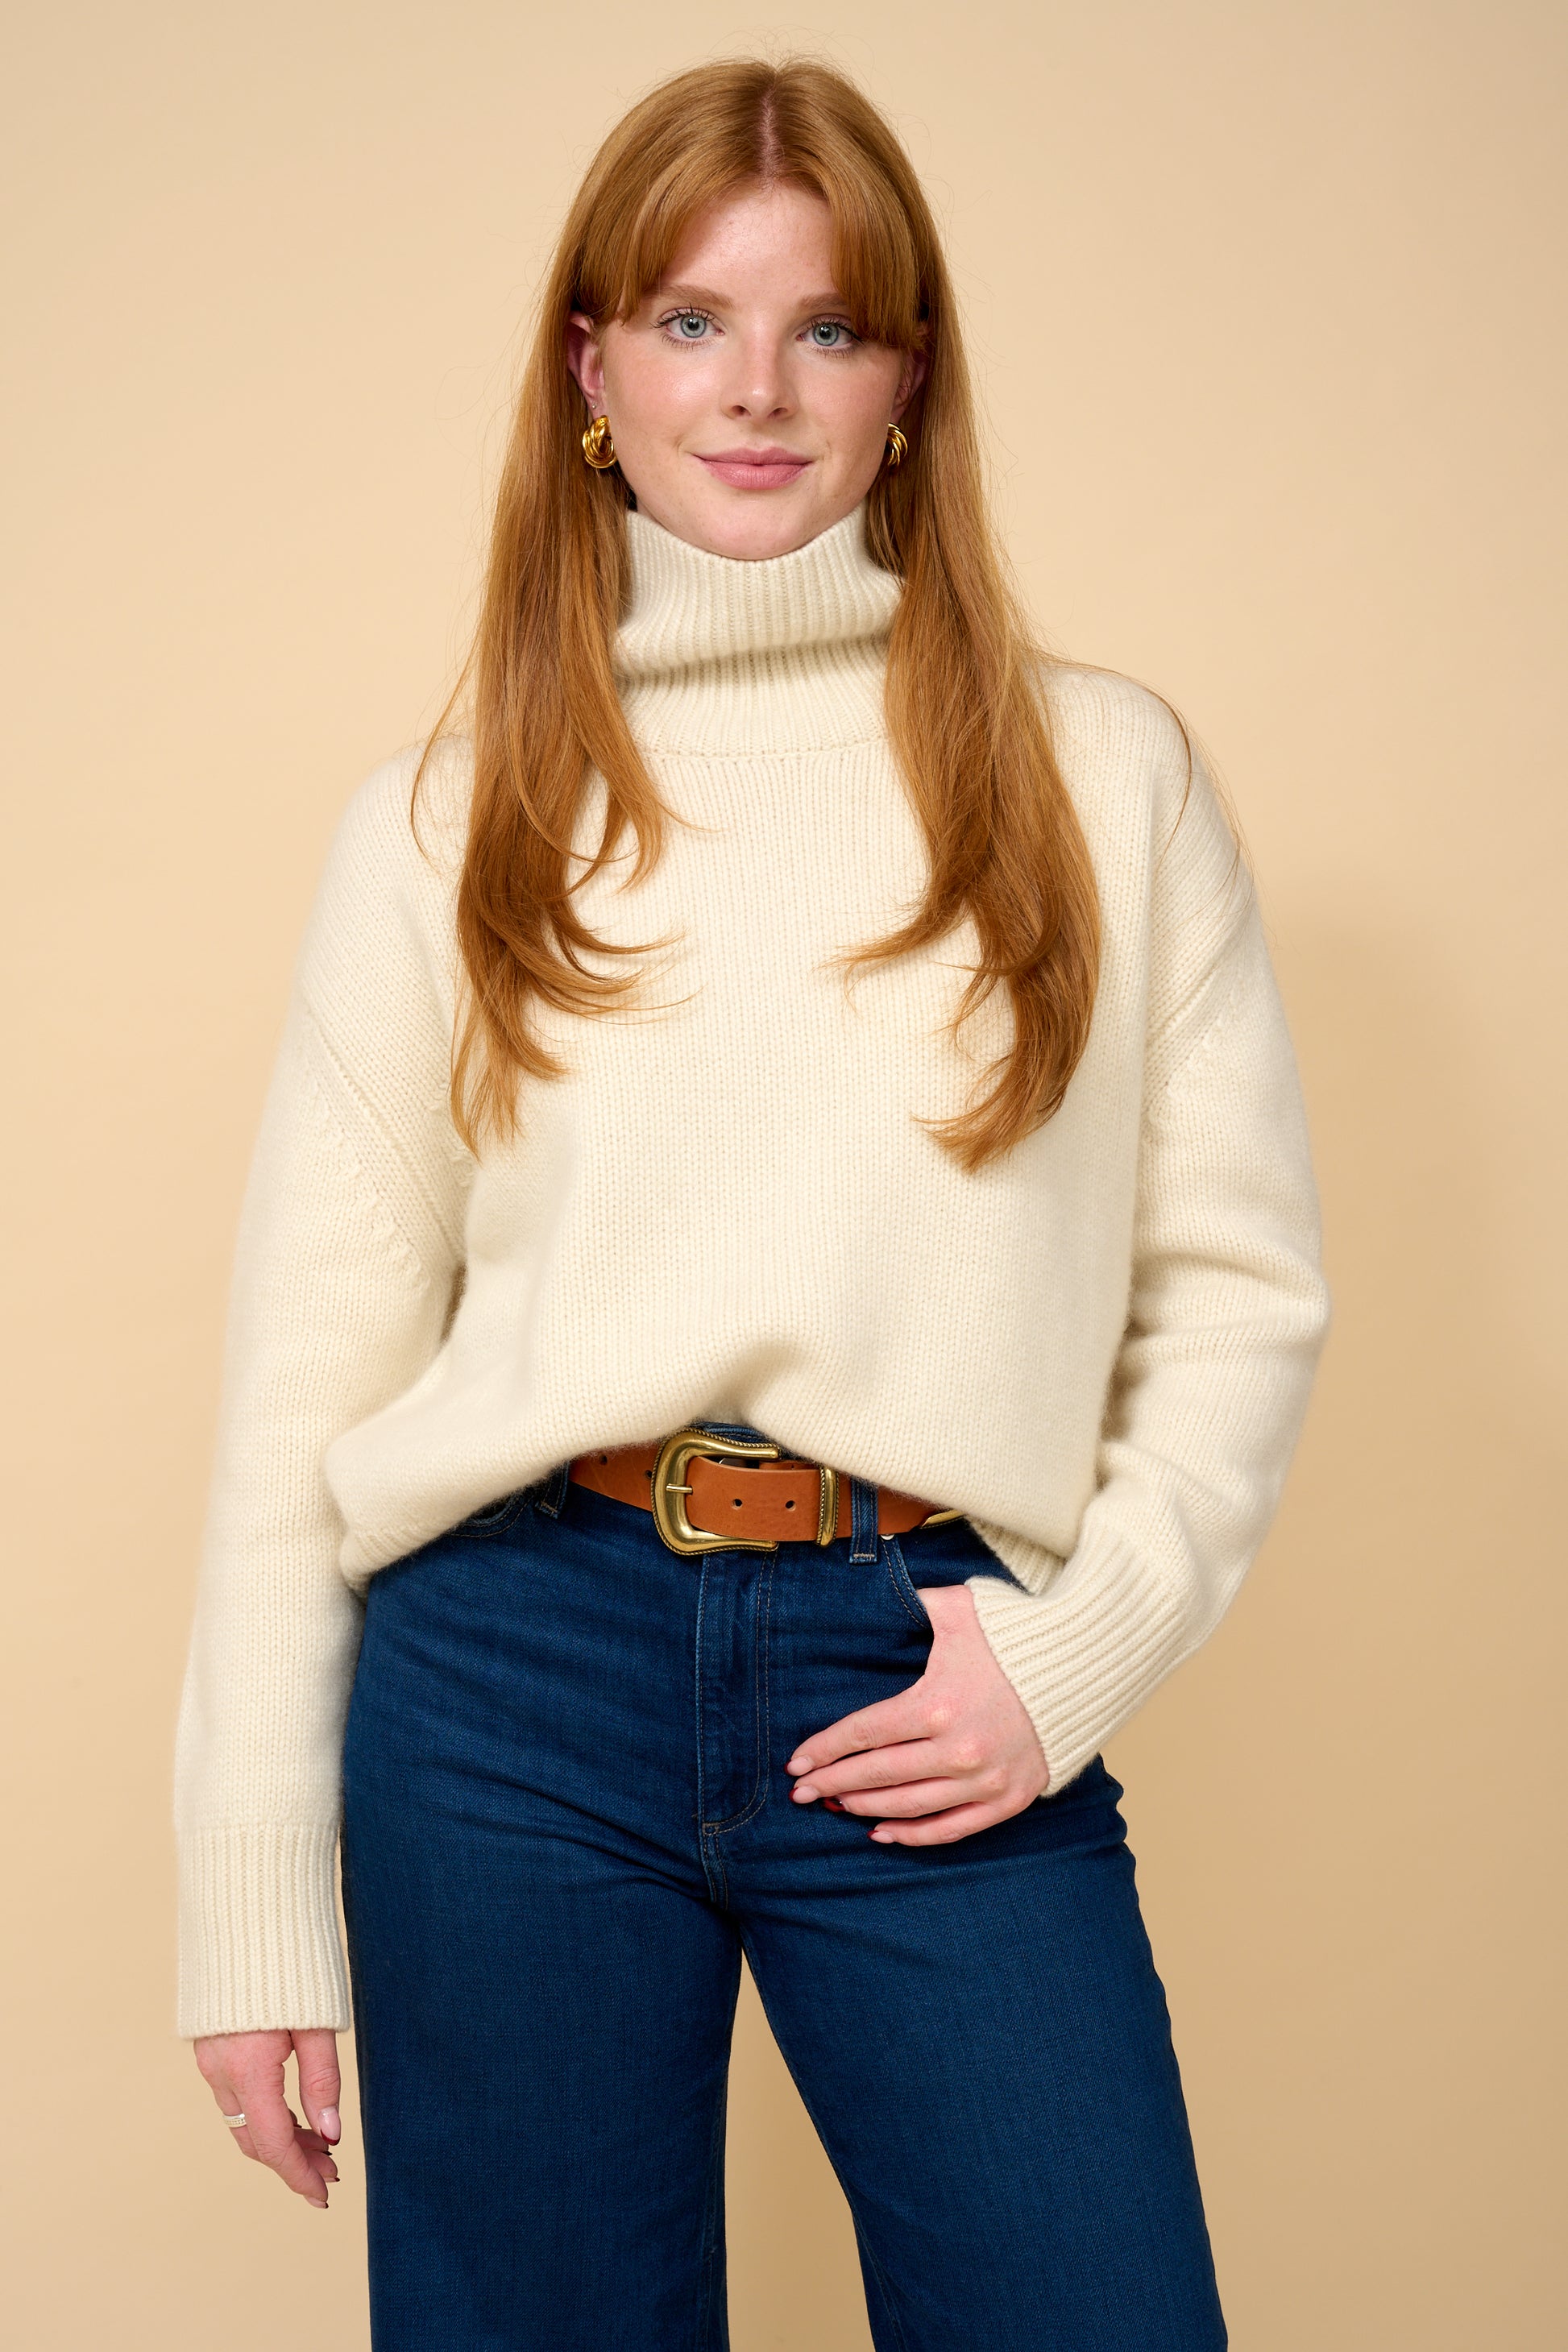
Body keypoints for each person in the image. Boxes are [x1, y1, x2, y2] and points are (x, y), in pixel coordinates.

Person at [176, 56, 1329, 2352]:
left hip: (918, 1655)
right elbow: (306, 1389)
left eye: (827, 327)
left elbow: (1230, 1301)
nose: (760, 390)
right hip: (502, 1681)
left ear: (910, 381)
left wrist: (1071, 1650)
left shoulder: (1101, 772)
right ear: (588, 374)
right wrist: (249, 1909)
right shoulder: (443, 820)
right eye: (691, 322)